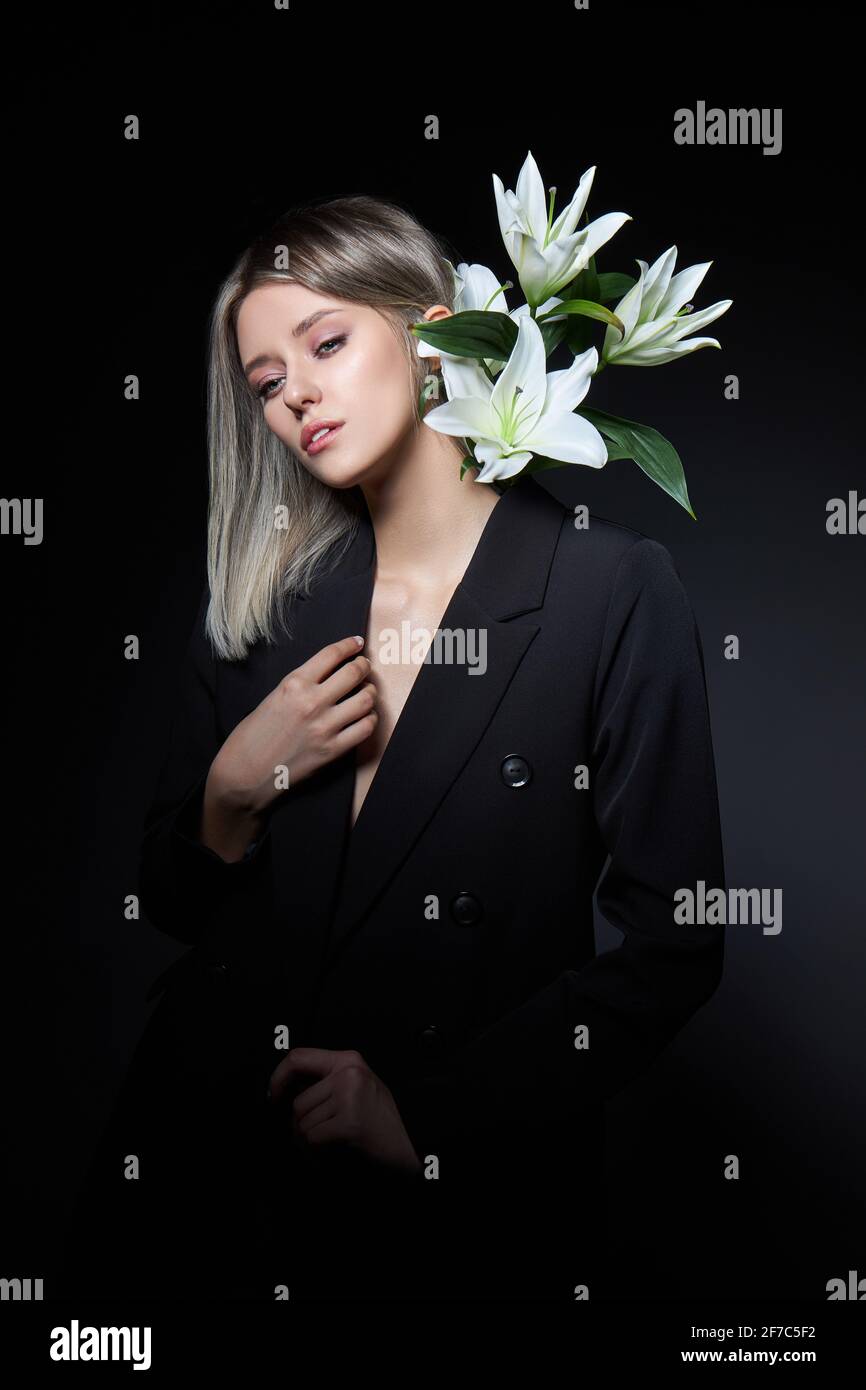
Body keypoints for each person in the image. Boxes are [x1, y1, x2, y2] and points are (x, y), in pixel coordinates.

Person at [60, 195, 726, 1303]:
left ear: (429, 335)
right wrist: (230, 793)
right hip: (206, 1153)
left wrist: (430, 1109)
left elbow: (677, 941)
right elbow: (173, 900)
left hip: (448, 1188)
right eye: (266, 383)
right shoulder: (267, 602)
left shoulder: (604, 587)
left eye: (325, 344)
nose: (297, 397)